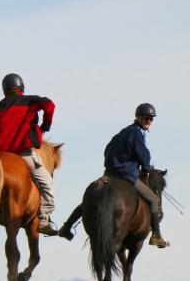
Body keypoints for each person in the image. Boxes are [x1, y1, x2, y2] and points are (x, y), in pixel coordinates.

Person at [58, 103, 170, 247]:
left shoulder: (122, 133)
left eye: (151, 118)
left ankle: (67, 227)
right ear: (139, 117)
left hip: (109, 175)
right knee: (153, 199)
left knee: (88, 202)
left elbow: (107, 150)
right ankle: (156, 235)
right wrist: (146, 169)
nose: (149, 121)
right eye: (147, 118)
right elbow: (144, 156)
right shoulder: (137, 133)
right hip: (126, 176)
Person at [0, 73, 58, 235]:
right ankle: (45, 219)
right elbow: (50, 105)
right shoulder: (30, 101)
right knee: (47, 184)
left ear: (4, 90)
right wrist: (45, 125)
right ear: (21, 88)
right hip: (22, 154)